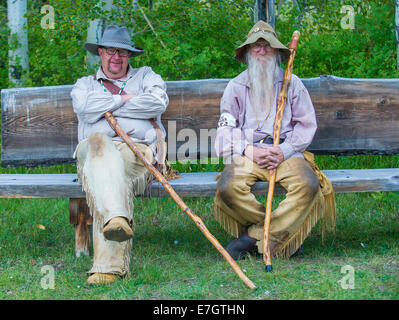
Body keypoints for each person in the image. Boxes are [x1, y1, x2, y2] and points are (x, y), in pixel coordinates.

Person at [213, 21, 336, 260]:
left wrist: (284, 150)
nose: (262, 51)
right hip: (248, 153)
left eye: (267, 46)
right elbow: (225, 132)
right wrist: (249, 151)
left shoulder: (293, 84)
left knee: (308, 186)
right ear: (247, 52)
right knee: (228, 188)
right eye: (256, 46)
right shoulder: (235, 87)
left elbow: (306, 124)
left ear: (278, 53)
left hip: (286, 152)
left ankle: (251, 237)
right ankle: (280, 233)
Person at [71, 25, 169, 284]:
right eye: (111, 51)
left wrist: (103, 111)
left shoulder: (146, 76)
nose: (117, 57)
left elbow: (158, 102)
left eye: (123, 52)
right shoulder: (85, 85)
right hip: (93, 150)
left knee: (105, 171)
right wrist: (125, 100)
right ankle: (116, 222)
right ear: (100, 53)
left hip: (135, 150)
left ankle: (108, 265)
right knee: (98, 144)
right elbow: (84, 107)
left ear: (130, 56)